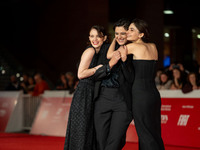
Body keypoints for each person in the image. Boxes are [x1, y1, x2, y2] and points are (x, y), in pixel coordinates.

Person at [64, 25, 118, 150]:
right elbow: (80, 74)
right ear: (89, 38)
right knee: (82, 128)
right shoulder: (90, 51)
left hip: (91, 92)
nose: (95, 39)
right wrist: (96, 68)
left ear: (104, 38)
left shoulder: (101, 51)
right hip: (84, 93)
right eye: (92, 36)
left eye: (98, 36)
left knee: (88, 128)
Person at [117, 18, 165, 150]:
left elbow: (111, 55)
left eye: (131, 30)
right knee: (154, 131)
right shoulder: (153, 46)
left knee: (144, 131)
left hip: (140, 94)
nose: (127, 33)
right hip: (153, 94)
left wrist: (117, 40)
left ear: (141, 34)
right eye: (128, 30)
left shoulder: (132, 47)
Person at [93, 18, 134, 150]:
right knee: (101, 140)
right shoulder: (106, 50)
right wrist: (110, 65)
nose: (119, 36)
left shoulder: (135, 51)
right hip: (103, 97)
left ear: (129, 33)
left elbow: (132, 78)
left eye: (123, 33)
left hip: (122, 100)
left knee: (115, 141)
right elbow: (96, 74)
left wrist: (125, 60)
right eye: (117, 33)